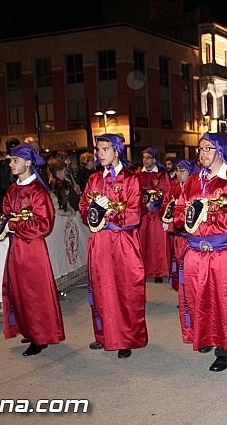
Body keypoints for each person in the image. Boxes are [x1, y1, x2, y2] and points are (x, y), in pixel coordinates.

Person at [173, 132, 227, 372]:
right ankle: (206, 336)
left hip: (226, 253)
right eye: (200, 149)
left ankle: (225, 348)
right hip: (196, 252)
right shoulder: (191, 181)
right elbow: (179, 214)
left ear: (220, 151)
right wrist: (189, 217)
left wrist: (204, 220)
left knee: (225, 301)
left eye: (208, 148)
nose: (202, 153)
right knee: (199, 298)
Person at [78, 134, 148, 359]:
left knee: (124, 288)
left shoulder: (130, 179)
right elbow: (82, 206)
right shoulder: (94, 179)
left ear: (117, 151)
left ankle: (126, 337)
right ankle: (105, 334)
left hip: (122, 241)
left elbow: (134, 213)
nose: (100, 153)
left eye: (105, 149)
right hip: (99, 241)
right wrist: (92, 214)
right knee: (100, 288)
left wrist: (109, 215)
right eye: (98, 149)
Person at [0, 144, 65, 356]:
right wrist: (5, 223)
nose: (10, 164)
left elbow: (44, 224)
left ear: (27, 163)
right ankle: (28, 328)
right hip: (16, 248)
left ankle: (40, 335)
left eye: (15, 160)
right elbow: (6, 213)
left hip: (33, 250)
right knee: (18, 291)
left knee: (34, 292)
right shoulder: (12, 190)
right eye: (10, 160)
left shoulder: (38, 191)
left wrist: (13, 225)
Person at [163, 158, 199, 341]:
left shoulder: (196, 188)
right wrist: (168, 214)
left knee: (190, 272)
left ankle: (191, 298)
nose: (179, 174)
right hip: (178, 237)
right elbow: (166, 205)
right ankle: (183, 297)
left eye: (182, 170)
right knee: (179, 267)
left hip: (190, 238)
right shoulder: (175, 187)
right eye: (177, 170)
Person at [137, 147, 171, 283]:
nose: (145, 160)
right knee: (143, 242)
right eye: (144, 157)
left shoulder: (162, 175)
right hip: (144, 213)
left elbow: (167, 192)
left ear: (154, 160)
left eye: (148, 157)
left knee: (158, 243)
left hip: (157, 213)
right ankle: (144, 270)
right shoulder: (138, 175)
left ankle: (159, 272)